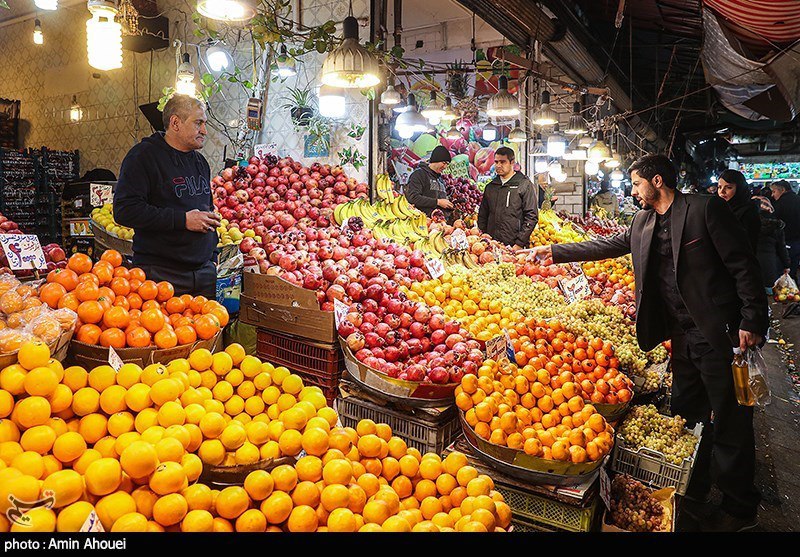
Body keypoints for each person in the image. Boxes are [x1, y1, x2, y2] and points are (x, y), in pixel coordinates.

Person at [529, 154, 767, 532]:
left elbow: (744, 265)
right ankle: (694, 490)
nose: (633, 191)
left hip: (717, 331)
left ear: (657, 181)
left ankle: (740, 508)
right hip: (680, 337)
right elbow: (608, 244)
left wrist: (752, 318)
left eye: (637, 184)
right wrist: (556, 253)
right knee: (685, 416)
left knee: (730, 419)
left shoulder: (705, 210)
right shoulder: (642, 220)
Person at [114, 94, 219, 298]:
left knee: (211, 330)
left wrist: (212, 257)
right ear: (175, 123)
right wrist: (182, 220)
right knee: (165, 331)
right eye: (198, 123)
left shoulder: (200, 163)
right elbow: (125, 210)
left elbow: (207, 210)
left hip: (204, 275)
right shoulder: (142, 157)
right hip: (161, 276)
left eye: (205, 124)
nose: (204, 131)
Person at [477, 147, 538, 249]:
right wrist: (484, 237)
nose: (498, 165)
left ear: (512, 162)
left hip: (514, 246)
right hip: (492, 246)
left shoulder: (524, 185)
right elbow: (482, 215)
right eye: (496, 162)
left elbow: (531, 216)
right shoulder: (491, 187)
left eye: (503, 162)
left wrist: (519, 243)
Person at [717, 169, 760, 252]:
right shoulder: (719, 208)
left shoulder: (748, 212)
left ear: (740, 188)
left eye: (728, 187)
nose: (722, 191)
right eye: (719, 187)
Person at [404, 145, 453, 218]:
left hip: (440, 224)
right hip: (421, 222)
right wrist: (437, 202)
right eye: (444, 162)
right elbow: (413, 198)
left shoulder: (441, 181)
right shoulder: (419, 174)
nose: (445, 167)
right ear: (436, 160)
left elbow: (442, 203)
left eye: (447, 164)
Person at [769, 180, 800, 281]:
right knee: (793, 270)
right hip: (797, 242)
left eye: (774, 192)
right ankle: (794, 291)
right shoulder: (798, 199)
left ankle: (784, 293)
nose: (772, 195)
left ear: (782, 190)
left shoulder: (779, 204)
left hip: (784, 242)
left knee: (782, 272)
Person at [755, 202, 790, 292]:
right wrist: (786, 265)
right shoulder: (777, 225)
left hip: (751, 261)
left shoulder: (749, 224)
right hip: (769, 262)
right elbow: (781, 248)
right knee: (769, 290)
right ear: (771, 209)